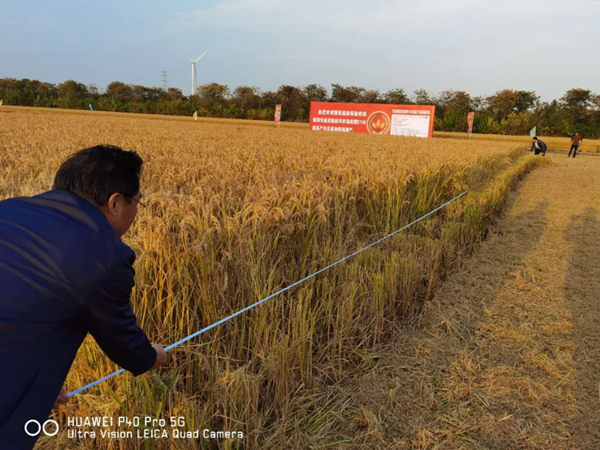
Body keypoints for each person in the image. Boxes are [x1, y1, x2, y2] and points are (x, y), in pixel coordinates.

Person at [0, 145, 168, 448]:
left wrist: (38, 382)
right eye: (137, 202)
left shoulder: (9, 209)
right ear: (115, 203)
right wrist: (155, 356)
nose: (137, 211)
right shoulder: (104, 257)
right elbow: (128, 348)